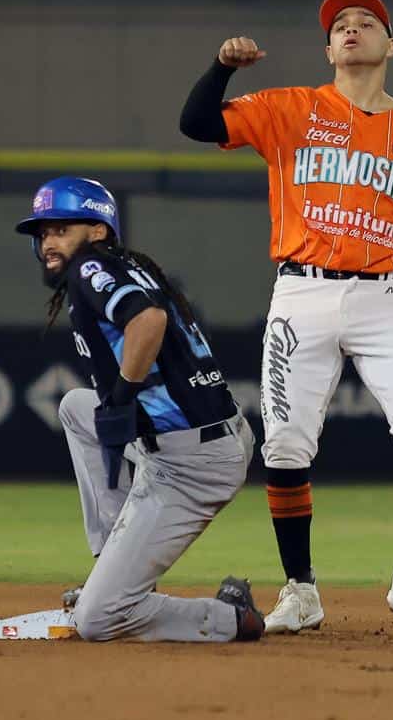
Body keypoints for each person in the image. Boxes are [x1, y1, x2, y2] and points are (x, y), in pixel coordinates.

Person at [178, 0, 393, 633]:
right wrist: (222, 67)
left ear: (389, 44)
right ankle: (300, 590)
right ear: (327, 49)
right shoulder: (290, 109)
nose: (351, 30)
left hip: (386, 296)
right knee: (286, 442)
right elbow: (199, 124)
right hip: (303, 292)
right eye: (339, 25)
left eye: (366, 22)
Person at [15, 176, 263, 643]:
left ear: (98, 230)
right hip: (200, 436)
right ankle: (114, 564)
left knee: (98, 620)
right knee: (76, 408)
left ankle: (232, 618)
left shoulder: (90, 268)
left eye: (61, 229)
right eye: (42, 232)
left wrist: (124, 393)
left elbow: (148, 320)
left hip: (191, 462)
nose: (48, 241)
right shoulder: (117, 266)